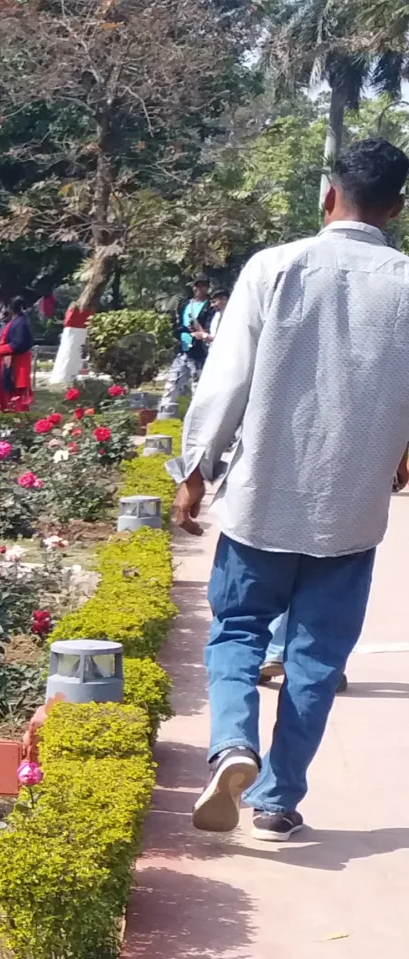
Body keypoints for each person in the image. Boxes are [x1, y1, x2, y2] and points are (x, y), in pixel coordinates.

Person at [175, 136, 409, 840]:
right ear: (397, 208)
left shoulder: (274, 268)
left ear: (327, 194)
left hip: (261, 500)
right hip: (352, 506)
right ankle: (277, 802)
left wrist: (195, 470)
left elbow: (226, 384)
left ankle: (234, 745)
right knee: (315, 656)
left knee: (240, 631)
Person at [159, 277, 216, 416]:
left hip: (199, 351)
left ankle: (198, 416)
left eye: (203, 286)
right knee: (173, 384)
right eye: (197, 286)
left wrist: (202, 333)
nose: (199, 289)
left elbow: (211, 326)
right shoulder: (186, 304)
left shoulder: (210, 306)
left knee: (198, 386)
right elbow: (179, 323)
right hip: (183, 349)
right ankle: (165, 414)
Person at [0, 295, 35, 412]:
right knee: (7, 388)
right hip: (9, 360)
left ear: (10, 308)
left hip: (16, 363)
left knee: (15, 389)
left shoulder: (20, 323)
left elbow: (19, 344)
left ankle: (15, 412)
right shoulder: (18, 321)